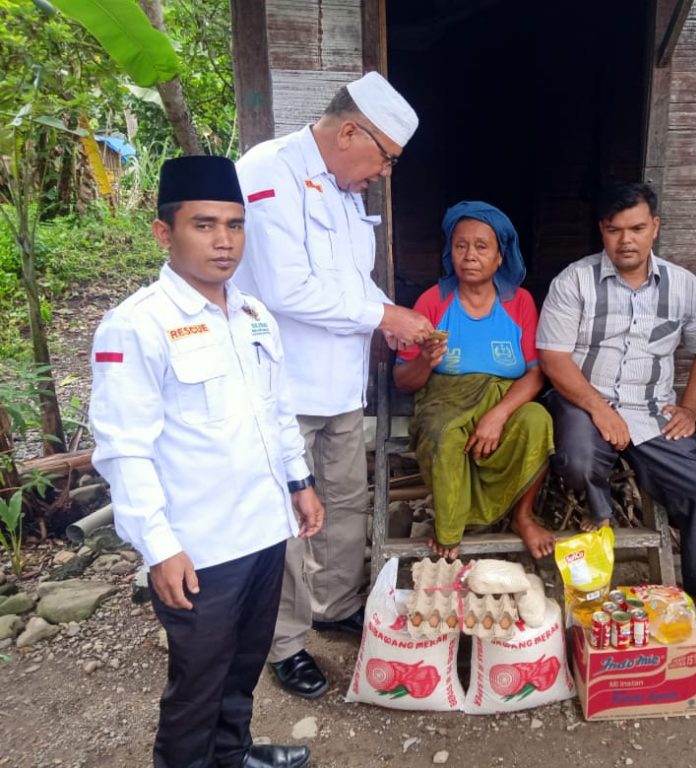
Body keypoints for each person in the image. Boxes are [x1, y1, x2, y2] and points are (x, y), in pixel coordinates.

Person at [89, 155, 322, 768]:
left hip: (264, 528)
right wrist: (159, 547)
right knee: (197, 681)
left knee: (244, 664)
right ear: (164, 233)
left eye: (235, 225)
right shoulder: (137, 326)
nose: (224, 241)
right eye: (204, 225)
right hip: (199, 545)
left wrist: (299, 481)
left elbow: (277, 409)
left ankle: (232, 753)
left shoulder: (253, 315)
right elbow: (124, 449)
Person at [233, 72, 434, 699]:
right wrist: (383, 315)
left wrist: (387, 320)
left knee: (345, 501)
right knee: (289, 516)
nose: (385, 173)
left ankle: (336, 604)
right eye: (386, 157)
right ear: (350, 133)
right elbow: (284, 288)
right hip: (283, 387)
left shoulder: (345, 190)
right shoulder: (269, 171)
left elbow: (351, 279)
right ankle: (285, 643)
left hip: (341, 385)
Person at [537, 182, 696, 646]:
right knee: (578, 460)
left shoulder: (683, 285)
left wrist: (690, 408)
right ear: (602, 231)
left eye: (636, 228)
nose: (625, 240)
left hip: (652, 411)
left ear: (655, 228)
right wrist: (599, 409)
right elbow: (553, 358)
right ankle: (600, 509)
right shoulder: (575, 281)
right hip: (582, 401)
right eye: (614, 230)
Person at [394, 201, 555, 560]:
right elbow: (402, 381)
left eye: (482, 247)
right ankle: (450, 529)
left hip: (505, 401)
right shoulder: (432, 302)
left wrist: (497, 415)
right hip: (445, 404)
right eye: (460, 246)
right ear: (450, 253)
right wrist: (424, 361)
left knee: (537, 419)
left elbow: (535, 372)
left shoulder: (519, 302)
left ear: (500, 257)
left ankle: (523, 516)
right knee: (443, 432)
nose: (469, 256)